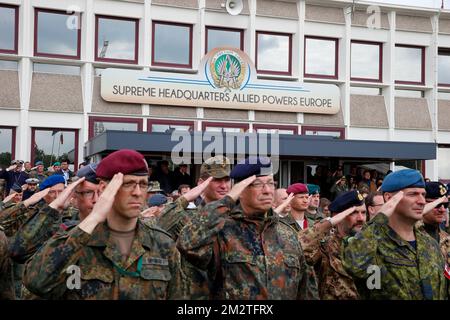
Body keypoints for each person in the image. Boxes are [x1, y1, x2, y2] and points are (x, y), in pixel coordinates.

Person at [23, 149, 184, 299]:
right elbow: (37, 283)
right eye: (128, 184)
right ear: (103, 188)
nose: (137, 192)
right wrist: (94, 218)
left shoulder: (162, 244)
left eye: (142, 184)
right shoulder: (76, 240)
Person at [177, 156, 319, 300]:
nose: (267, 191)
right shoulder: (221, 230)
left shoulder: (288, 234)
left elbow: (306, 289)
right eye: (258, 184)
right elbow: (188, 245)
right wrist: (228, 199)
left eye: (271, 183)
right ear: (241, 190)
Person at [343, 169, 448, 300]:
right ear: (388, 197)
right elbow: (354, 266)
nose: (421, 201)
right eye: (413, 194)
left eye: (423, 194)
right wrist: (380, 219)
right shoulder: (372, 242)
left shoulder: (430, 244)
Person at [157, 155, 232, 299]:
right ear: (201, 183)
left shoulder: (236, 218)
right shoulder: (188, 217)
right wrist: (185, 198)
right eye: (217, 180)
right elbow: (160, 226)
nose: (224, 186)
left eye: (227, 180)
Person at [309, 190, 366, 299]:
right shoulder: (324, 247)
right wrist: (328, 223)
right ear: (338, 216)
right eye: (353, 213)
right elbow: (299, 247)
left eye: (363, 213)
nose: (361, 219)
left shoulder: (371, 245)